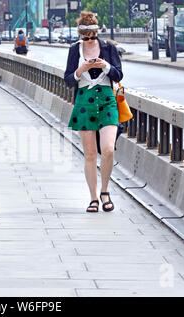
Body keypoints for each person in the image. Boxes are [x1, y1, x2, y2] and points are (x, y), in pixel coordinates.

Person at [64, 11, 123, 213]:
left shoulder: (108, 48)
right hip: (84, 101)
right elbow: (68, 79)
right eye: (85, 36)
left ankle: (105, 191)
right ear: (81, 34)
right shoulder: (74, 50)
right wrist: (80, 71)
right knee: (89, 155)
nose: (89, 40)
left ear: (96, 32)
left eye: (92, 36)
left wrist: (105, 65)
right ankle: (93, 198)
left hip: (107, 100)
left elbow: (119, 74)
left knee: (108, 149)